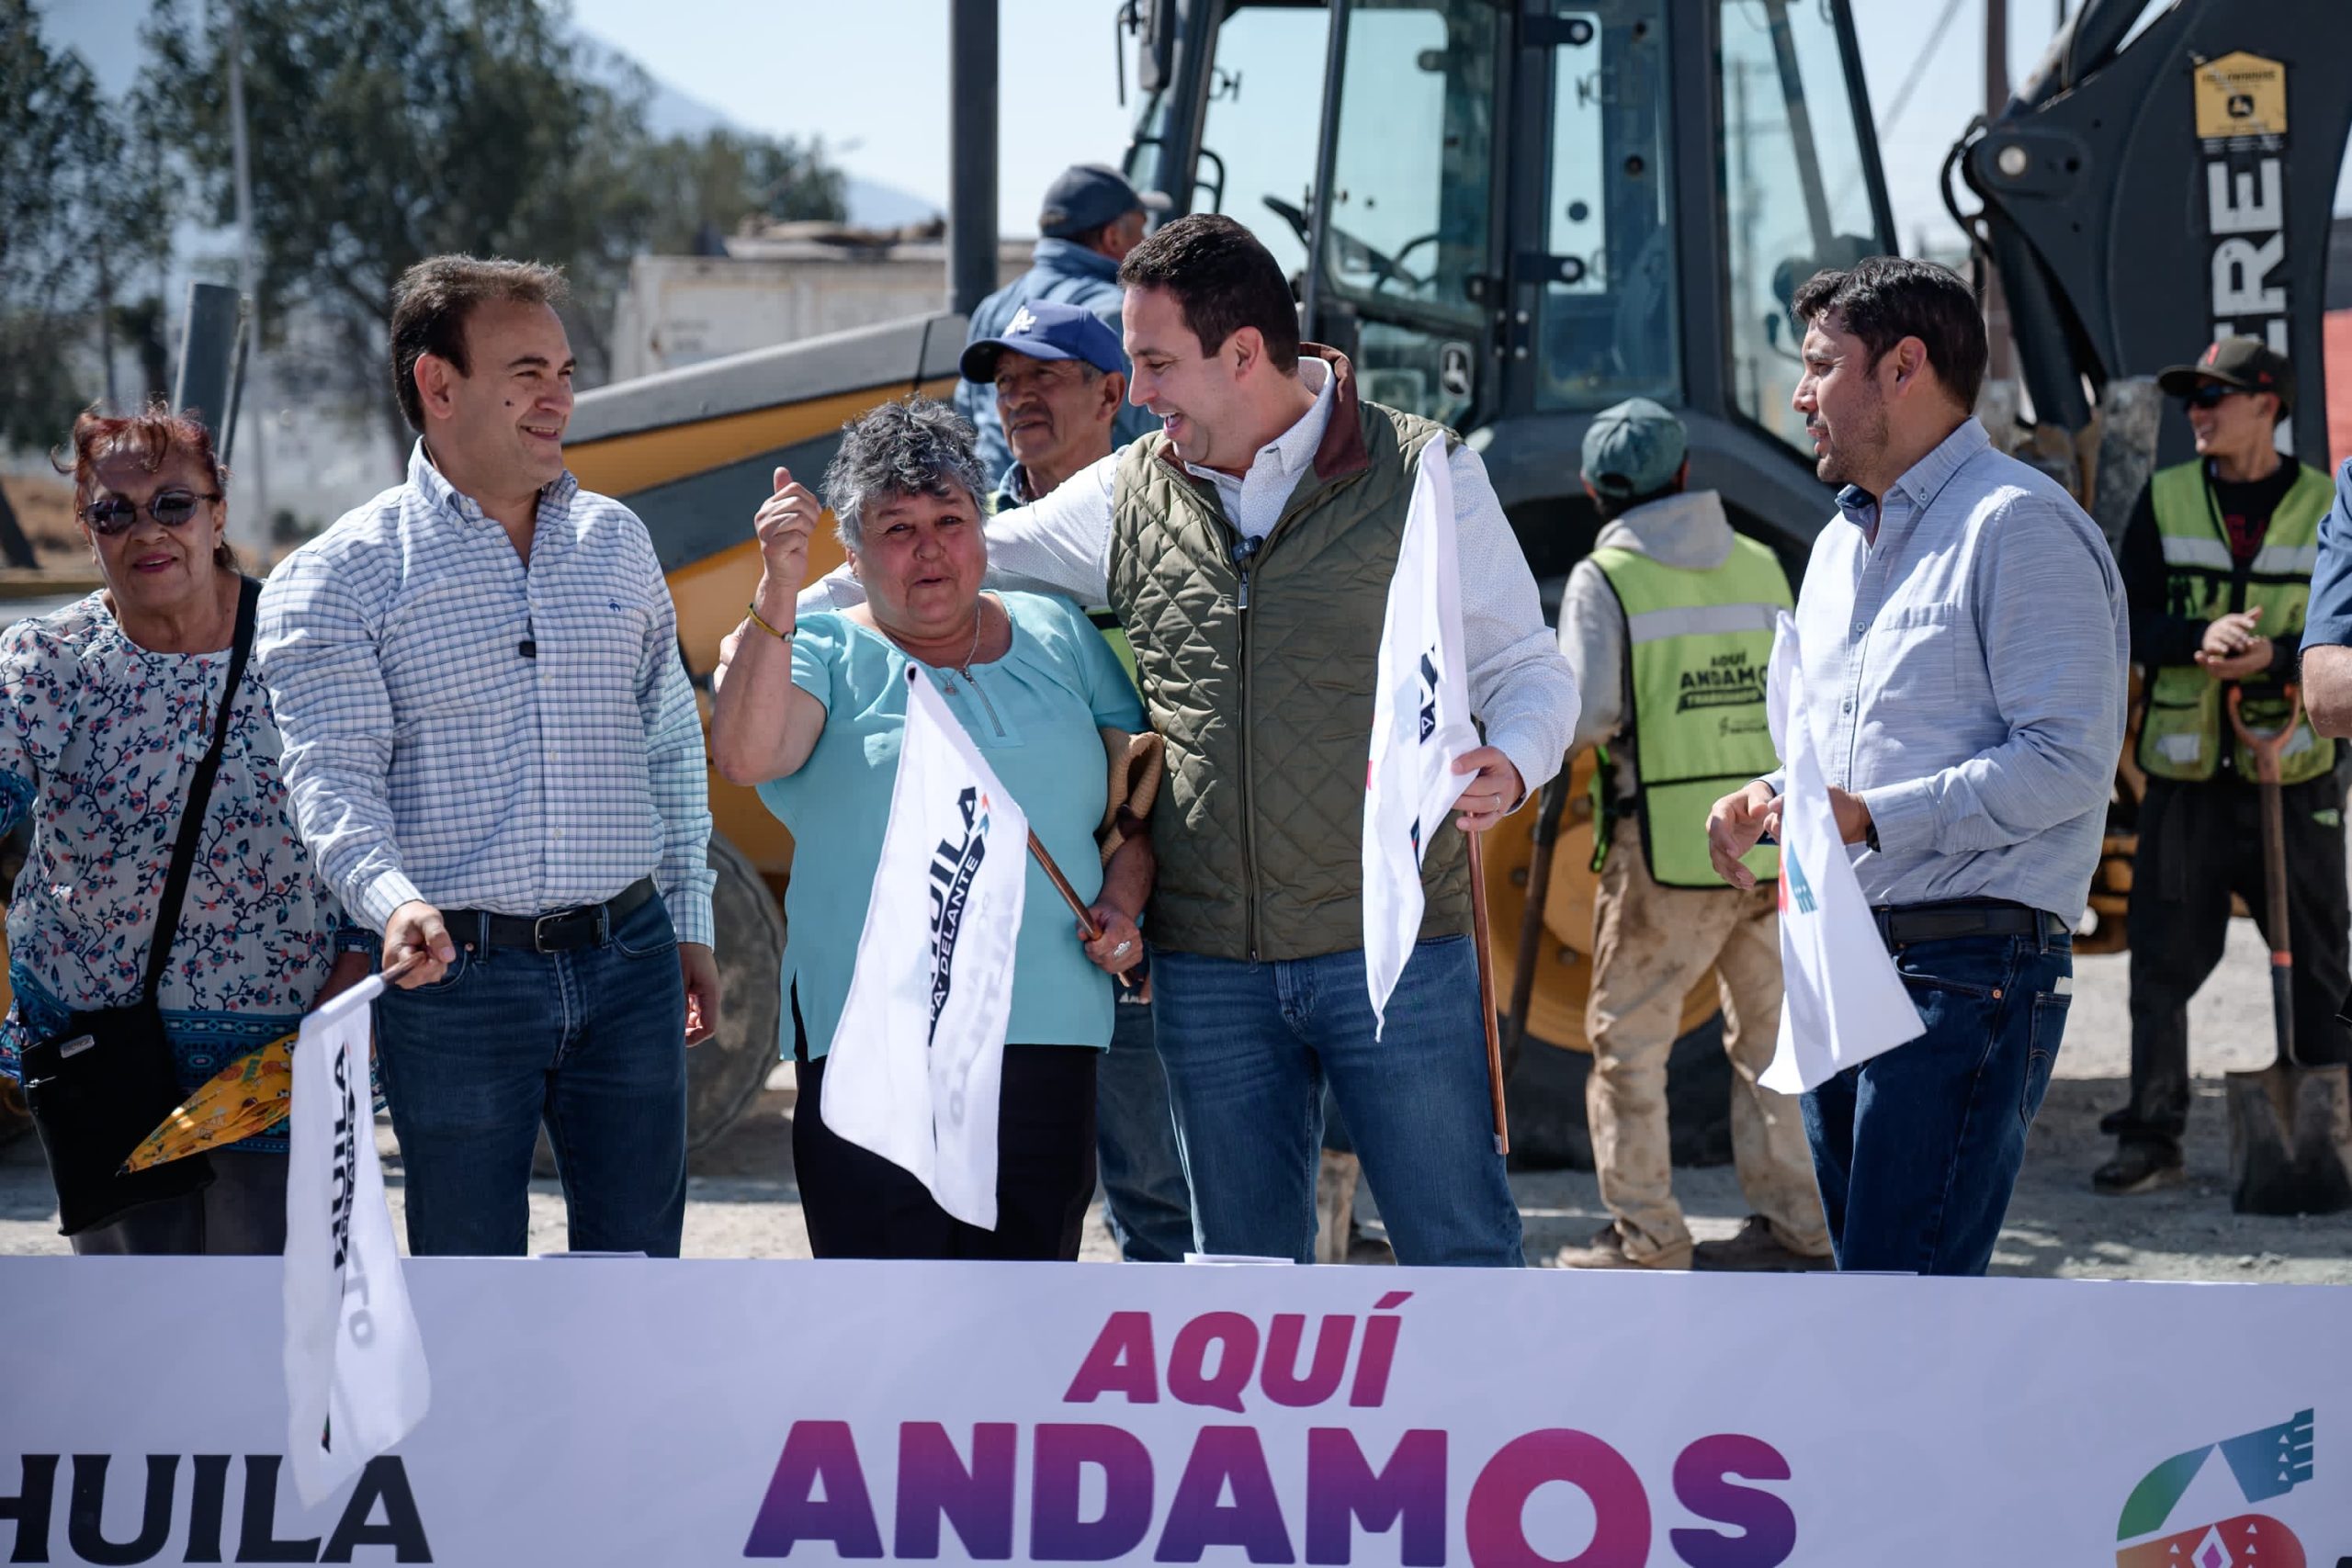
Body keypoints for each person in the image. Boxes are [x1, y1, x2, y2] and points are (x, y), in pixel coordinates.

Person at [806, 214, 1579, 1266]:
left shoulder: (1426, 475)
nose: (1142, 390)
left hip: (1397, 953)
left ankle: (1488, 1437)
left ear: (1246, 355)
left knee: (1459, 1254)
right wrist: (778, 627)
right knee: (1239, 1288)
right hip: (1210, 970)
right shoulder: (1128, 493)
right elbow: (942, 563)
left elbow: (1526, 669)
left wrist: (1520, 756)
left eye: (1158, 363)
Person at [255, 255, 718, 1259]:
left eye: (563, 368)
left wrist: (689, 922)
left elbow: (671, 744)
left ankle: (619, 1429)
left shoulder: (618, 542)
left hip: (633, 962)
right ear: (438, 384)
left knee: (640, 1281)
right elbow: (331, 783)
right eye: (526, 370)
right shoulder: (337, 579)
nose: (558, 396)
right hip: (456, 982)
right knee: (467, 1290)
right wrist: (392, 903)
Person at [1706, 256, 2127, 1278]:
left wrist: (1867, 818)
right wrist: (1773, 795)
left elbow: (2065, 764)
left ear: (1903, 367)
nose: (1799, 396)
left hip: (1964, 970)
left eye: (1818, 367)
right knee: (1873, 1295)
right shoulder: (1842, 546)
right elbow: (1846, 757)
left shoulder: (2016, 526)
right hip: (1847, 960)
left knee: (1907, 1306)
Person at [707, 399, 1151, 1260]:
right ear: (854, 549)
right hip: (877, 1041)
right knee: (887, 1331)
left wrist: (1125, 908)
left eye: (950, 519)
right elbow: (746, 754)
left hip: (1046, 1032)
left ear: (984, 530)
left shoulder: (1061, 634)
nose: (929, 547)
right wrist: (777, 582)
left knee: (1026, 1319)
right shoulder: (818, 645)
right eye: (896, 527)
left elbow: (1133, 813)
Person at [0, 405, 369, 1255]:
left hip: (276, 1056)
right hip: (103, 1058)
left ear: (217, 513)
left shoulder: (304, 647)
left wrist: (351, 976)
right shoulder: (49, 660)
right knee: (146, 1340)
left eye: (173, 504)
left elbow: (374, 811)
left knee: (275, 1330)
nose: (146, 530)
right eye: (114, 510)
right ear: (86, 528)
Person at [1549, 399, 1830, 1273]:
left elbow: (1590, 714)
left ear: (1595, 489)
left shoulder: (1608, 577)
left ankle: (1648, 1237)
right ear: (1684, 474)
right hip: (1768, 842)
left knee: (1630, 1049)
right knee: (1773, 1045)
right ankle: (1802, 1225)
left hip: (1664, 851)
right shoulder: (1763, 565)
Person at [962, 299, 1195, 1262]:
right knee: (1025, 1187)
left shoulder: (1175, 529)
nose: (1019, 398)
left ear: (1112, 392)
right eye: (1006, 382)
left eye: (1043, 377)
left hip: (1153, 904)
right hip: (1021, 909)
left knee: (1160, 1187)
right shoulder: (971, 544)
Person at [2094, 338, 2348, 1193]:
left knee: (2318, 959)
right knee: (2160, 962)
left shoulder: (2326, 502)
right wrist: (2194, 639)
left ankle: (2331, 1130)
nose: (2198, 412)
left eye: (2217, 396)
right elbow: (2121, 617)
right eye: (2192, 398)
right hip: (2189, 778)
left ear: (2269, 404)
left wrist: (2278, 654)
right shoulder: (2167, 498)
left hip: (2297, 772)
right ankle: (2152, 1135)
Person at [954, 164, 1165, 481]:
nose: (1148, 242)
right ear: (1112, 236)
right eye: (1141, 230)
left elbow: (965, 425)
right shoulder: (1120, 314)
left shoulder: (991, 309)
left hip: (992, 507)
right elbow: (1163, 433)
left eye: (1043, 374)